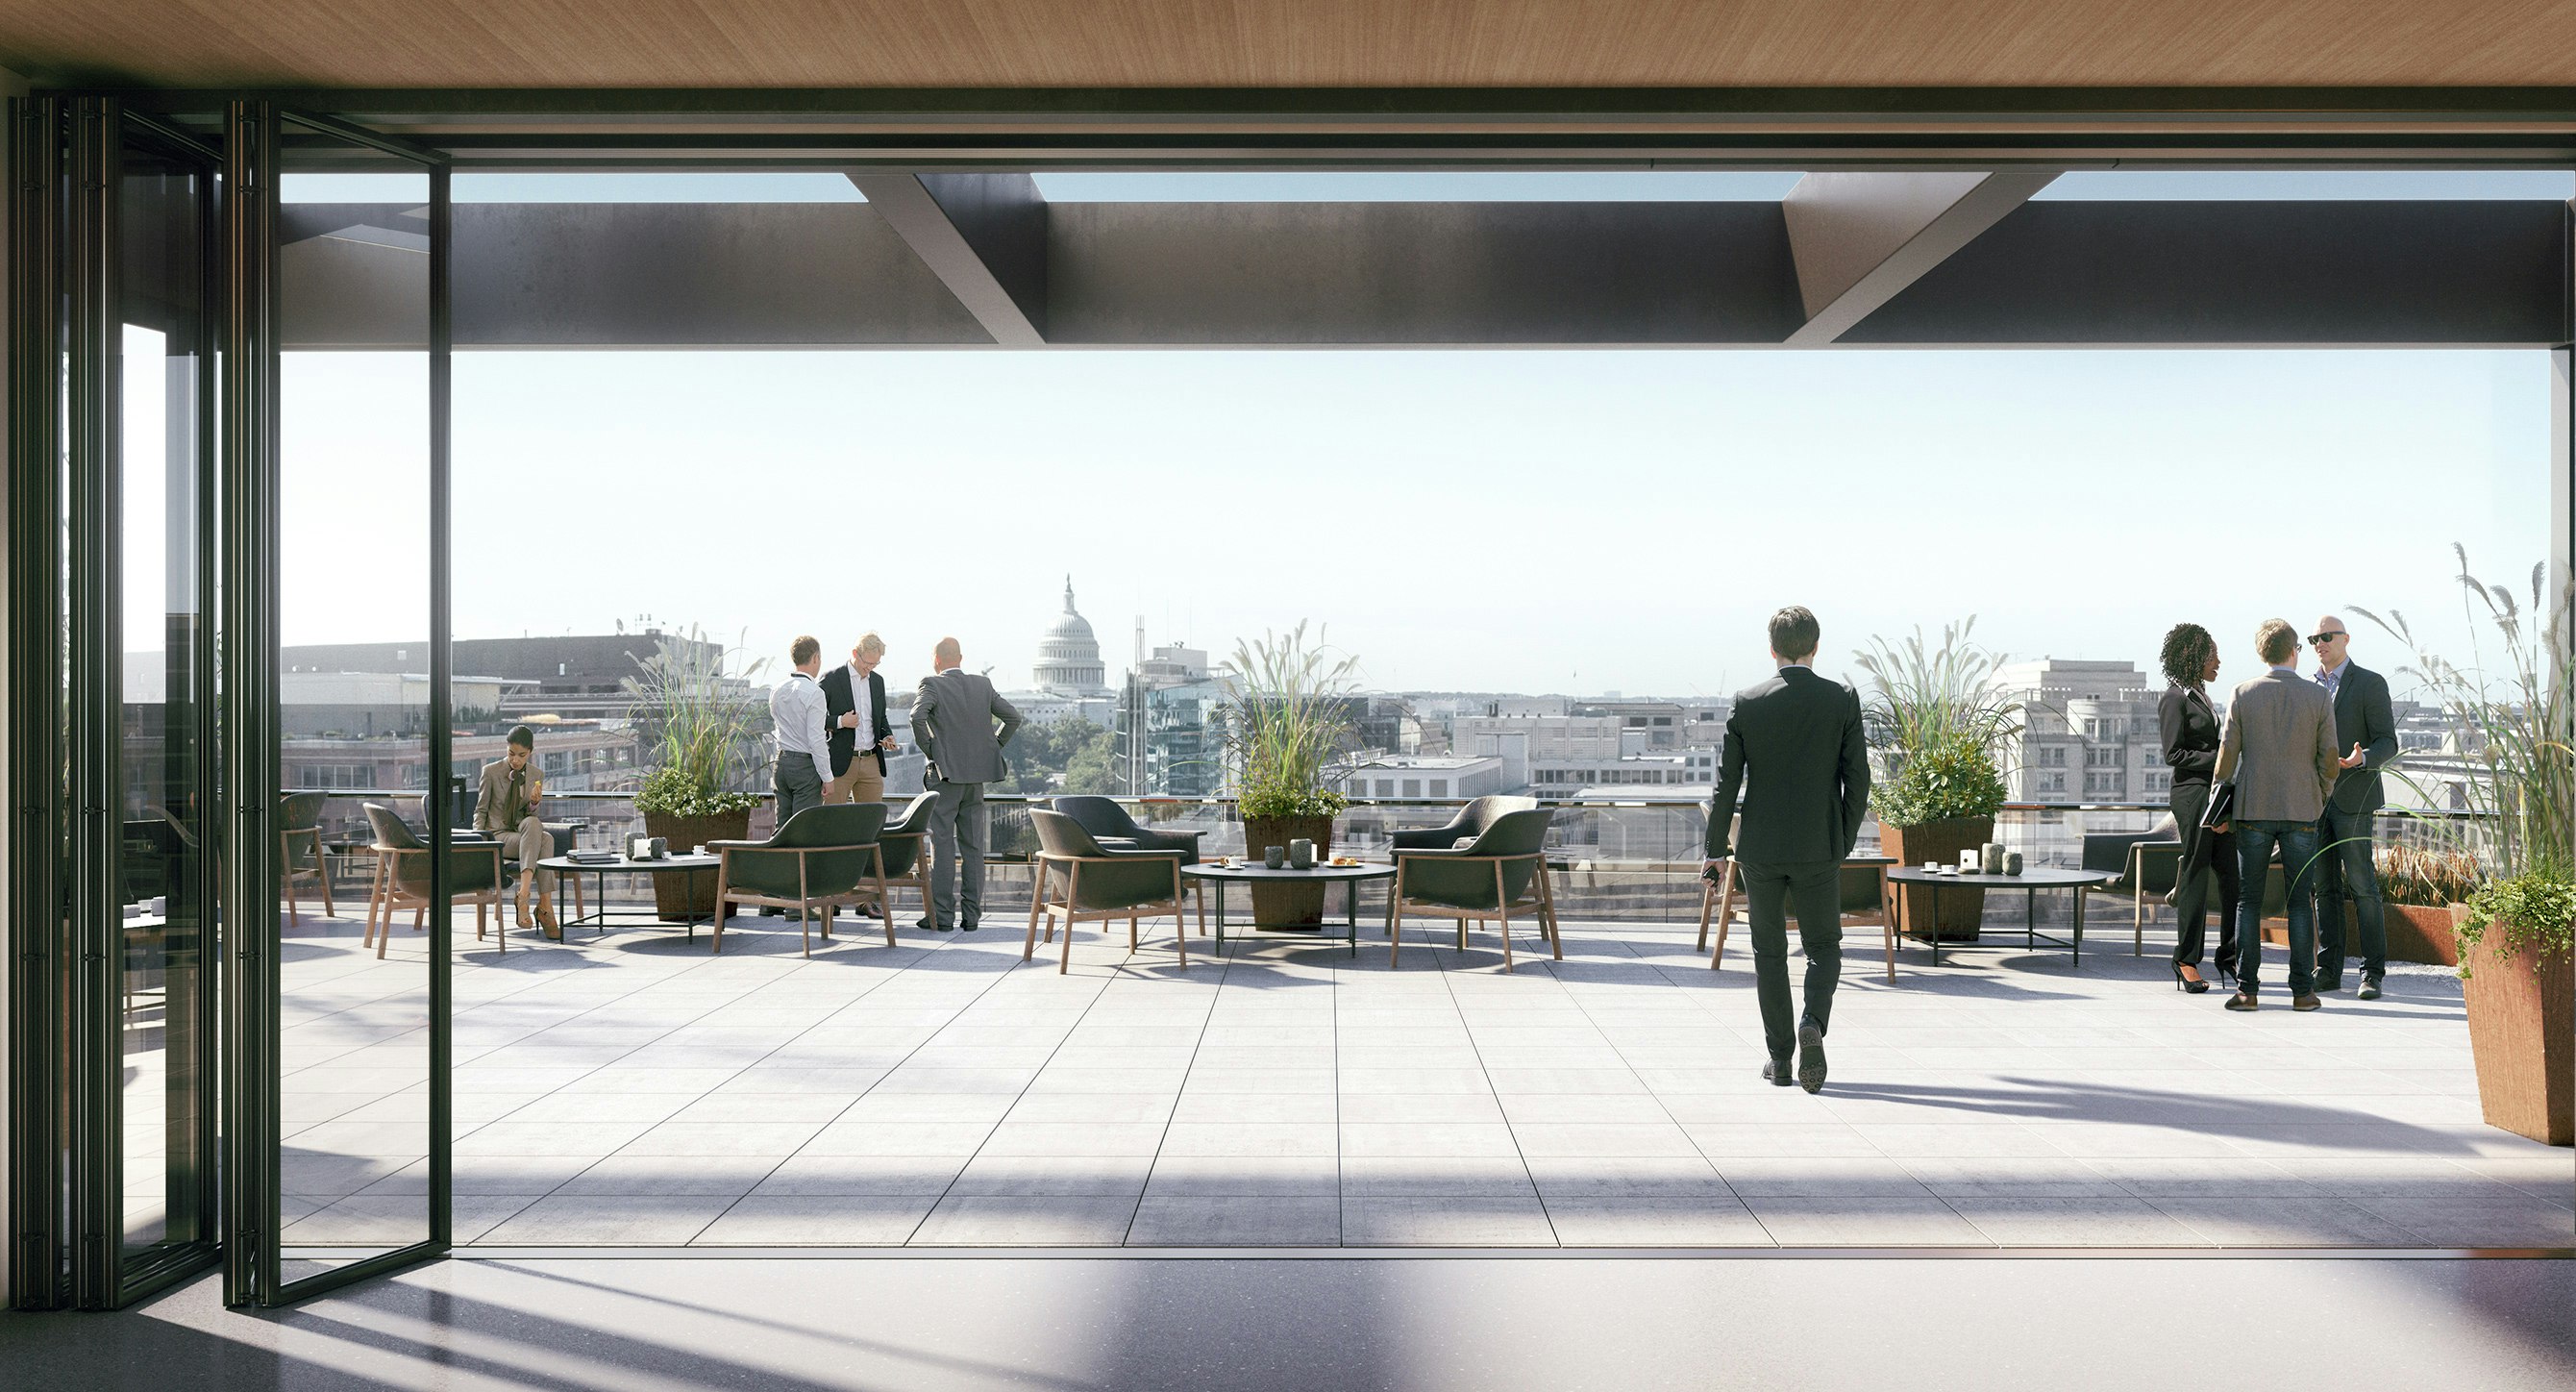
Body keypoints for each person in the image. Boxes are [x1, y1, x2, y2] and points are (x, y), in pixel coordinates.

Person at [1702, 606, 1870, 1094]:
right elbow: (1858, 780)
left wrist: (1716, 849)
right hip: (1819, 844)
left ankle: (1779, 1059)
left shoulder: (1748, 702)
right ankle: (1812, 1020)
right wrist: (1841, 837)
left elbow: (1726, 785)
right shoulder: (1841, 698)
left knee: (1768, 951)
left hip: (1760, 848)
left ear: (1772, 649)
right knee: (1823, 947)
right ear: (1815, 647)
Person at [2213, 618, 2341, 1013]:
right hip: (2302, 809)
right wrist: (2319, 796)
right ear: (2293, 651)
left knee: (2249, 902)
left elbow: (2226, 757)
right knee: (2300, 902)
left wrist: (2219, 806)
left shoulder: (2242, 693)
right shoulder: (2317, 697)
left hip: (2253, 809)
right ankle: (2303, 992)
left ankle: (2247, 991)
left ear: (2262, 654)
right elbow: (2329, 760)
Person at [2308, 615, 2398, 1001]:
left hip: (2354, 799)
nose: (2319, 642)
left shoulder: (2370, 683)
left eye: (2326, 636)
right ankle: (2328, 970)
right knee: (2323, 888)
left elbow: (2387, 743)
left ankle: (2372, 973)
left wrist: (2362, 759)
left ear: (2345, 639)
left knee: (2362, 887)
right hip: (2314, 801)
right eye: (2314, 637)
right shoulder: (2307, 686)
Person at [910, 637, 1022, 932]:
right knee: (973, 849)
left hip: (945, 778)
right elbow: (1013, 717)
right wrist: (993, 746)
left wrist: (933, 751)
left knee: (942, 846)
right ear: (960, 657)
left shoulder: (931, 684)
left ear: (936, 660)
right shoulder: (982, 685)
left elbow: (916, 716)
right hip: (976, 780)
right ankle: (971, 918)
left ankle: (942, 917)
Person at [2157, 622, 2239, 993]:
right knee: (2195, 872)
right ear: (2193, 656)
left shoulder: (2201, 695)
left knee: (2230, 876)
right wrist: (2218, 757)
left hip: (2215, 794)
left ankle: (2229, 955)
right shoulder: (2174, 699)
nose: (2218, 662)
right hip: (2191, 795)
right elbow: (2173, 753)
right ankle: (2186, 959)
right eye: (2212, 655)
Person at [823, 634, 899, 918]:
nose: (870, 669)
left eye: (875, 664)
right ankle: (829, 899)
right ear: (855, 652)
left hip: (870, 764)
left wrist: (887, 735)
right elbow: (815, 719)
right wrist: (841, 722)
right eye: (867, 663)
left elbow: (880, 719)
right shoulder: (832, 679)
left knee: (870, 833)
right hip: (840, 766)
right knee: (832, 833)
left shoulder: (877, 682)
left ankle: (865, 900)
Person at [474, 725, 559, 940]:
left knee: (540, 830)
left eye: (522, 755)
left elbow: (530, 815)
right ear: (507, 748)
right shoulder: (491, 772)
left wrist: (533, 803)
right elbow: (480, 810)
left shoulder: (536, 774)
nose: (516, 760)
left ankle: (527, 897)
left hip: (521, 834)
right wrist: (479, 841)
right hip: (498, 836)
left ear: (530, 752)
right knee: (544, 838)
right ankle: (544, 910)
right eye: (511, 753)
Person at [769, 634, 832, 831]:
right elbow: (816, 740)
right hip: (804, 767)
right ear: (815, 658)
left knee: (782, 829)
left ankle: (780, 862)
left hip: (781, 763)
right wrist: (828, 777)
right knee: (804, 830)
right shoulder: (814, 693)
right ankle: (803, 863)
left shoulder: (777, 689)